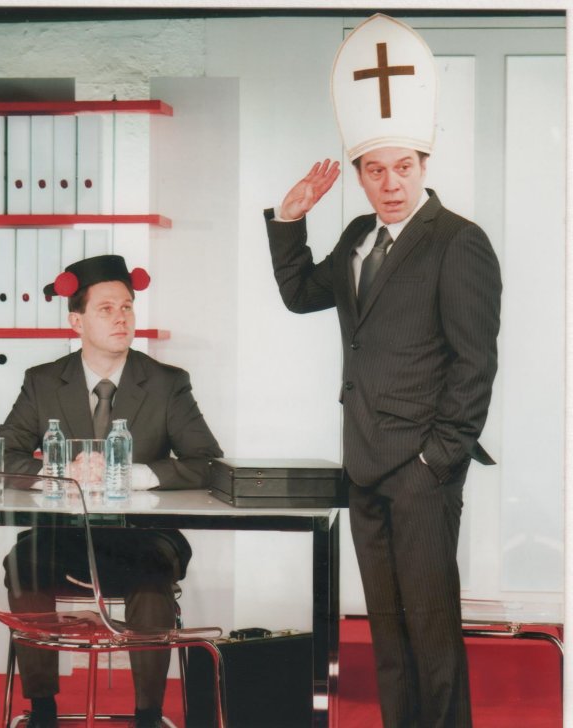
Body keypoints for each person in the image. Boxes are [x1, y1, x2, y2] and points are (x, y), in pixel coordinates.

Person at [263, 15, 501, 728]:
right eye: (375, 170)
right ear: (361, 174)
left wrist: (438, 460)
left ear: (424, 164)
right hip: (364, 464)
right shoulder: (357, 236)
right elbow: (301, 294)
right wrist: (289, 219)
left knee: (432, 637)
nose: (390, 184)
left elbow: (475, 363)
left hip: (422, 472)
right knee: (389, 640)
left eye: (403, 167)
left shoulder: (459, 243)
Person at [0, 255, 223, 728]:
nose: (121, 318)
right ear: (76, 321)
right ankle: (42, 709)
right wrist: (61, 470)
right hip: (62, 536)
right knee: (23, 564)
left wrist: (132, 473)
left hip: (142, 537)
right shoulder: (42, 381)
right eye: (106, 309)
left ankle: (147, 715)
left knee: (152, 575)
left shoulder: (167, 383)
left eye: (127, 307)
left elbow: (207, 462)